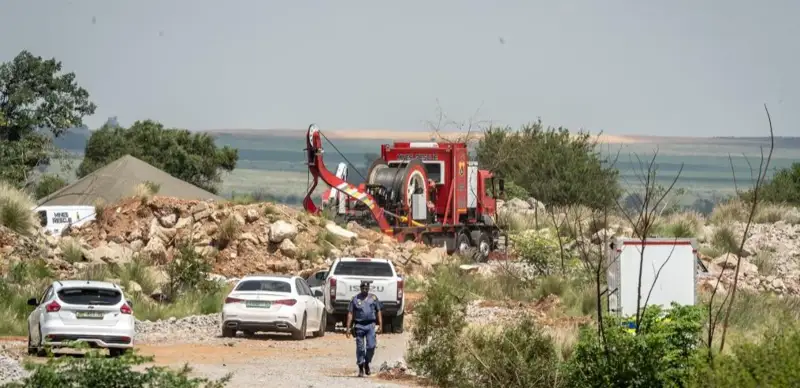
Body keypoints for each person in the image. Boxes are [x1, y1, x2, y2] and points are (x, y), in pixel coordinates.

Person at [345, 280, 383, 377]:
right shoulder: (355, 299)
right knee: (360, 348)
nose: (365, 290)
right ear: (360, 288)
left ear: (368, 288)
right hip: (359, 326)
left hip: (371, 325)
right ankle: (361, 367)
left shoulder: (373, 298)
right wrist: (348, 328)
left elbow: (378, 311)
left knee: (371, 346)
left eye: (366, 288)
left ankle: (367, 363)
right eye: (363, 288)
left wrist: (380, 325)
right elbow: (350, 313)